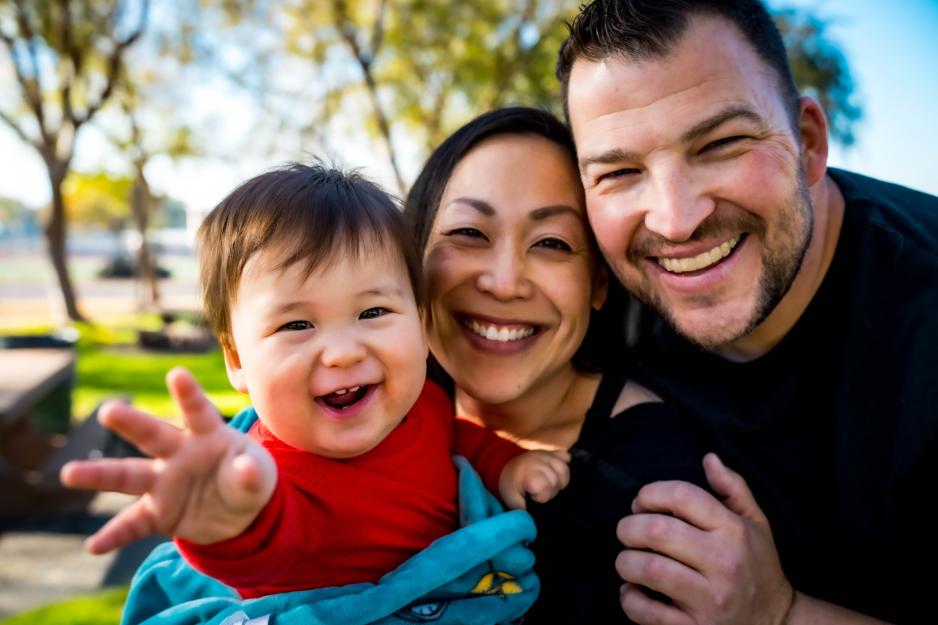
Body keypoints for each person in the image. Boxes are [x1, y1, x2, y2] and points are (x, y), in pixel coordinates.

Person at [557, 1, 938, 623]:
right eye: (620, 172)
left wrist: (778, 614)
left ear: (808, 143)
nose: (675, 220)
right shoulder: (589, 295)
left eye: (721, 144)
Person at [60, 163, 570, 605]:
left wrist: (506, 463)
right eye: (297, 325)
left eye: (373, 311)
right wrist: (222, 520)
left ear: (419, 321)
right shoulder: (269, 476)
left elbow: (457, 437)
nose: (344, 350)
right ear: (236, 358)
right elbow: (263, 548)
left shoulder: (422, 404)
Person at [405, 106, 715, 624]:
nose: (504, 282)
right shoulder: (379, 412)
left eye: (551, 243)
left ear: (598, 283)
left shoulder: (656, 487)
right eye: (468, 233)